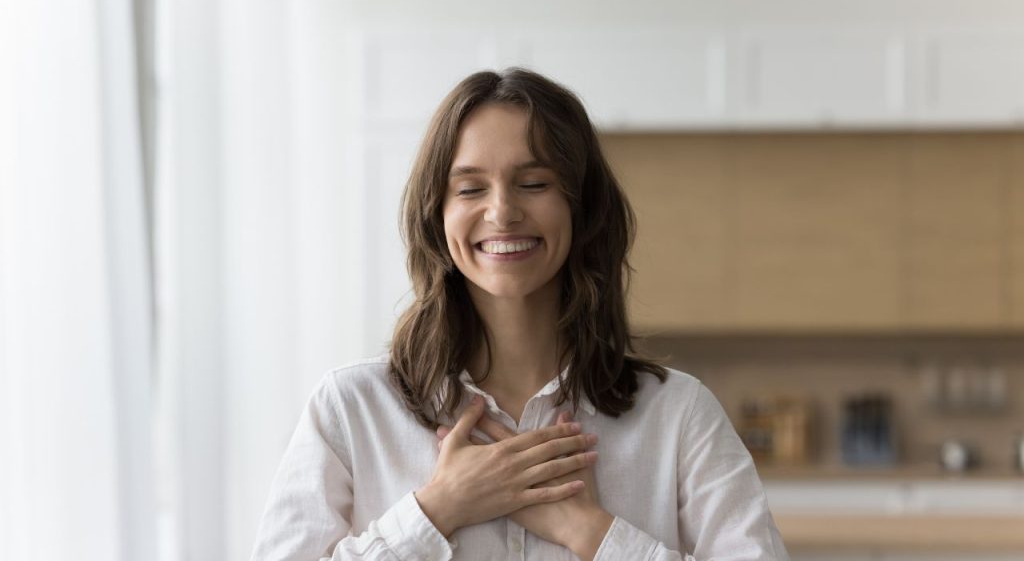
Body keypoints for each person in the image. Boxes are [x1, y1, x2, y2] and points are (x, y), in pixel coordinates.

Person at [250, 68, 789, 560]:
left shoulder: (680, 415)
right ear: (437, 216)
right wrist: (438, 509)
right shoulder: (350, 410)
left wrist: (591, 533)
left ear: (582, 208)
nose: (503, 212)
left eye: (534, 183)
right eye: (470, 188)